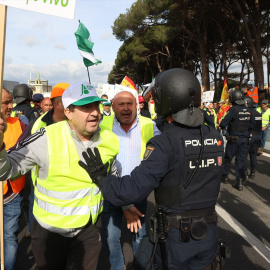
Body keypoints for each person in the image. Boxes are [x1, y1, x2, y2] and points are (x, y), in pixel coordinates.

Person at [79, 68, 225, 270]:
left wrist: (101, 178)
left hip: (175, 240)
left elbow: (129, 191)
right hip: (208, 234)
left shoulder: (164, 143)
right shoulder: (215, 137)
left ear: (166, 99)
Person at [0, 81, 122, 270]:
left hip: (89, 230)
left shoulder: (109, 138)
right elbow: (6, 171)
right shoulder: (45, 137)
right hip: (49, 232)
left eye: (96, 105)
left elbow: (113, 180)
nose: (95, 112)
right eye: (85, 107)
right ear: (68, 112)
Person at [99, 91, 161, 270]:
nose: (126, 108)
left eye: (129, 104)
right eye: (121, 104)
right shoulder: (104, 125)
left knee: (140, 236)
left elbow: (161, 151)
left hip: (138, 191)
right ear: (113, 106)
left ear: (136, 105)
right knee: (111, 237)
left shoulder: (149, 125)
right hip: (111, 190)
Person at [13, 83, 70, 238]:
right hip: (44, 184)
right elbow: (20, 147)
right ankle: (35, 230)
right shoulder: (38, 123)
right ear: (57, 103)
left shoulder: (77, 121)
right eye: (69, 100)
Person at [1, 88, 26, 270]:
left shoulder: (19, 123)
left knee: (9, 236)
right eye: (6, 102)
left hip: (13, 192)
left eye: (11, 102)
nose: (11, 106)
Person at [219, 90, 255, 191]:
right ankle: (239, 182)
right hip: (244, 139)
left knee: (228, 158)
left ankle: (225, 177)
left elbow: (223, 123)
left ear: (233, 98)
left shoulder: (233, 110)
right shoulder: (248, 110)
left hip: (234, 139)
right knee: (240, 160)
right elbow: (252, 124)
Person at [243, 96, 262, 180]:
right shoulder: (258, 113)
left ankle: (245, 172)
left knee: (244, 155)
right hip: (258, 136)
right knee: (253, 155)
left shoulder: (247, 113)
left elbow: (247, 126)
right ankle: (253, 172)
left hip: (249, 136)